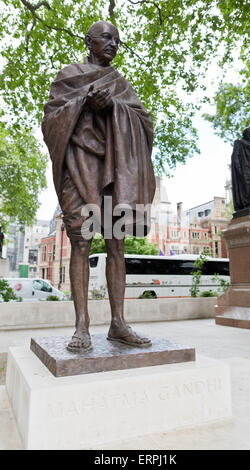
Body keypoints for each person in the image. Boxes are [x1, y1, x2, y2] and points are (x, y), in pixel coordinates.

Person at [42, 21, 156, 352]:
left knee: (116, 245)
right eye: (107, 38)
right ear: (88, 40)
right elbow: (50, 120)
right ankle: (82, 327)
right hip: (80, 168)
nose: (113, 44)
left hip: (113, 172)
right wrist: (83, 103)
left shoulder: (120, 82)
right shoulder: (69, 75)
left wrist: (114, 107)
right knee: (80, 243)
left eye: (118, 40)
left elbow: (144, 122)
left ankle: (119, 324)